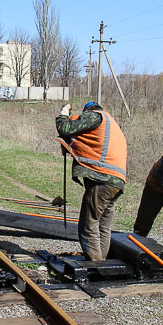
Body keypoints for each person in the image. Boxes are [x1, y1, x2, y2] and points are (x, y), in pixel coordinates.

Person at [56, 101, 127, 261]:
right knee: (103, 226)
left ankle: (96, 264)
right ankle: (102, 263)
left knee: (88, 224)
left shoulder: (95, 116)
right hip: (116, 182)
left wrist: (63, 114)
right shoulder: (110, 123)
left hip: (102, 179)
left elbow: (65, 128)